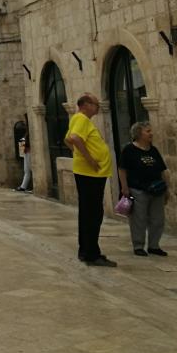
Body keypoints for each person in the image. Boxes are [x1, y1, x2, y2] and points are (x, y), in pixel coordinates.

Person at [64, 93, 116, 267]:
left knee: (88, 213)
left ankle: (86, 251)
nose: (98, 107)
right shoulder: (81, 119)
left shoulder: (78, 119)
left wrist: (79, 154)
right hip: (90, 174)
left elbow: (67, 139)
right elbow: (74, 138)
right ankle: (92, 254)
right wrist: (89, 159)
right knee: (93, 213)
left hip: (89, 173)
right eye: (95, 104)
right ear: (85, 105)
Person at [119, 121, 169, 258]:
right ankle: (138, 246)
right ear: (139, 134)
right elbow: (122, 169)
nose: (151, 133)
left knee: (157, 219)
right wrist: (124, 187)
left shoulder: (153, 150)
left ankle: (154, 246)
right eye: (148, 131)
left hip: (157, 189)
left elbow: (162, 170)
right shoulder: (129, 150)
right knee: (138, 219)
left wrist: (167, 188)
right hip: (138, 189)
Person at [15, 122, 32, 192]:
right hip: (26, 153)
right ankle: (23, 186)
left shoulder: (28, 134)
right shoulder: (26, 134)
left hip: (29, 153)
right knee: (27, 170)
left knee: (28, 170)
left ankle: (23, 186)